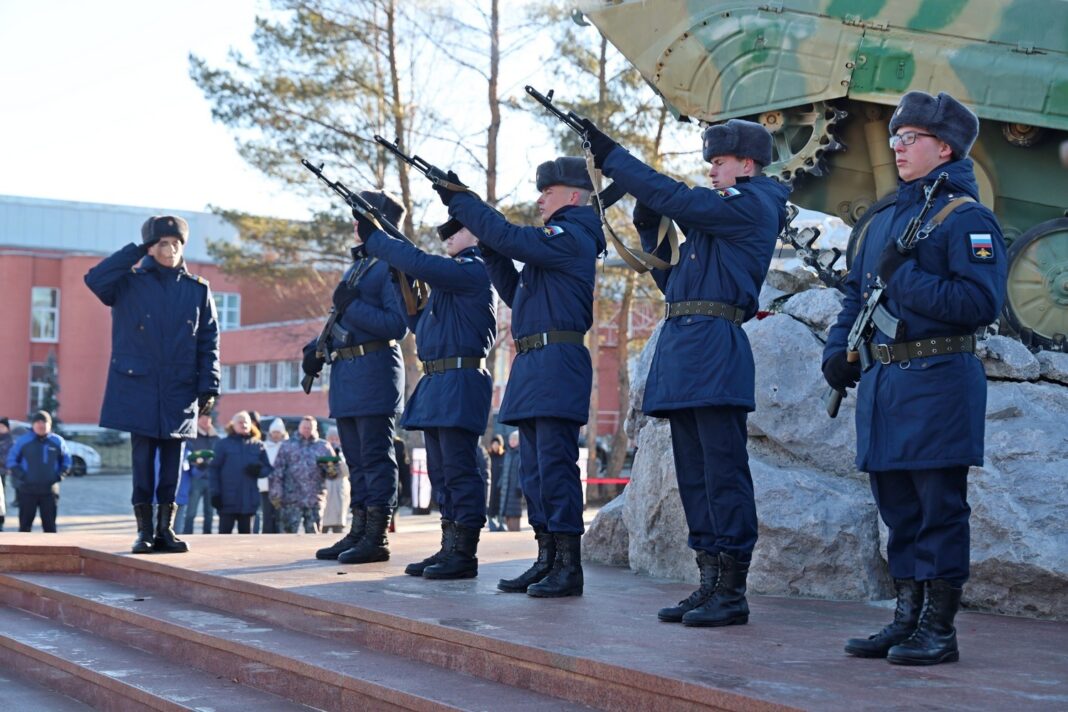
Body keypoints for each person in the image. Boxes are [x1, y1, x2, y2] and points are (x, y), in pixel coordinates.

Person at [579, 115, 789, 626]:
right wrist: (648, 224)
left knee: (723, 473)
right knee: (694, 476)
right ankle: (709, 581)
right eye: (711, 163)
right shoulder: (715, 224)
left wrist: (614, 158)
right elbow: (674, 286)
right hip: (687, 346)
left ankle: (731, 591)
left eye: (720, 161)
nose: (712, 170)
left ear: (747, 164)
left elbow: (681, 200)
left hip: (714, 348)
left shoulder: (753, 204)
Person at [824, 91, 1006, 666]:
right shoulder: (884, 219)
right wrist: (836, 351)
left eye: (910, 139)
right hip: (885, 385)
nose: (897, 148)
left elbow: (979, 303)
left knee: (938, 509)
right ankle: (906, 618)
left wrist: (903, 279)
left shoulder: (966, 219)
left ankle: (938, 628)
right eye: (896, 138)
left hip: (939, 381)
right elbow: (854, 295)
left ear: (944, 147)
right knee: (898, 510)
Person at [435, 157, 604, 598]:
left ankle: (567, 565)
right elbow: (516, 294)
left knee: (555, 466)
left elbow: (510, 236)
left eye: (547, 192)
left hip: (556, 360)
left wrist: (465, 205)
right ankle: (546, 558)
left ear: (573, 195)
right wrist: (489, 245)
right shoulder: (552, 247)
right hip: (533, 362)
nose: (540, 200)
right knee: (534, 472)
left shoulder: (572, 235)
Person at [362, 216, 497, 580]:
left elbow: (423, 264)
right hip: (438, 380)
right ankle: (449, 546)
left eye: (457, 230)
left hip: (461, 378)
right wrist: (399, 277)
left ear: (476, 234)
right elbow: (419, 326)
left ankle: (464, 553)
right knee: (441, 472)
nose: (447, 237)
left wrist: (380, 241)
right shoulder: (449, 284)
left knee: (459, 469)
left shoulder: (473, 270)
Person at [84, 215, 220, 554]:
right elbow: (95, 279)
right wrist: (135, 250)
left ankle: (165, 530)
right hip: (139, 387)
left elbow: (209, 340)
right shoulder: (128, 283)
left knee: (173, 465)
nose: (170, 250)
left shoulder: (197, 289)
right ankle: (144, 531)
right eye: (162, 243)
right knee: (143, 463)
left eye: (176, 244)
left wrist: (210, 384)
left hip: (180, 388)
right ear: (150, 248)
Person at [310, 192, 407, 565]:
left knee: (375, 458)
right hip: (348, 374)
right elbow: (342, 321)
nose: (355, 224)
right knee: (356, 460)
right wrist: (314, 349)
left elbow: (396, 325)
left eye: (361, 218)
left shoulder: (391, 265)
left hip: (375, 371)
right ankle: (358, 531)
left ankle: (376, 536)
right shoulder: (359, 267)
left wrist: (353, 304)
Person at [6, 411, 71, 533]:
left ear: (49, 424)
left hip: (49, 491)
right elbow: (11, 460)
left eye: (44, 422)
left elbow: (66, 461)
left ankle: (51, 546)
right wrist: (22, 476)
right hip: (27, 490)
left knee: (50, 527)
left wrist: (59, 476)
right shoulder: (23, 441)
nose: (41, 425)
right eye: (38, 422)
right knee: (24, 527)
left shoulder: (57, 441)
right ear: (33, 424)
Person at [209, 411, 272, 534]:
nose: (244, 425)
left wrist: (258, 471)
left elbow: (268, 468)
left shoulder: (258, 445)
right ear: (233, 425)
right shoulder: (223, 444)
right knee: (223, 538)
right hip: (227, 500)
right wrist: (215, 493)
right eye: (240, 422)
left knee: (246, 540)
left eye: (246, 422)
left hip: (249, 501)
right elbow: (213, 469)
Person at [270, 415, 333, 534]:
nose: (307, 430)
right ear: (299, 428)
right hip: (291, 498)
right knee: (288, 534)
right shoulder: (287, 445)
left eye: (310, 427)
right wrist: (276, 494)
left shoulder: (324, 446)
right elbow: (277, 471)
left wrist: (331, 467)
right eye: (304, 427)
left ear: (315, 429)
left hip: (314, 498)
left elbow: (333, 472)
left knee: (314, 534)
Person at [182, 414, 219, 535]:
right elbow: (188, 456)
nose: (206, 421)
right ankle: (187, 534)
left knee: (209, 512)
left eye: (208, 418)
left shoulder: (216, 438)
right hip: (196, 478)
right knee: (191, 511)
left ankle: (207, 535)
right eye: (203, 418)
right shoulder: (192, 437)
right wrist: (197, 463)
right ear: (198, 420)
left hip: (211, 479)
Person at [260, 418, 288, 534]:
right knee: (267, 514)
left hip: (282, 487)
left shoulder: (286, 447)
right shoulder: (264, 446)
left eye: (278, 432)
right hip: (266, 487)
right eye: (274, 432)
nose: (276, 435)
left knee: (279, 515)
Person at [322, 427, 352, 534]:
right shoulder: (322, 451)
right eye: (331, 438)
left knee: (338, 524)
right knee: (323, 522)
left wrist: (339, 459)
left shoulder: (346, 452)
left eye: (336, 439)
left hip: (340, 489)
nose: (334, 441)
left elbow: (348, 472)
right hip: (326, 488)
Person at [498, 430, 523, 532]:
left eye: (515, 439)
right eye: (511, 439)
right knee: (506, 513)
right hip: (506, 488)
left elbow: (522, 471)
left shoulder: (520, 454)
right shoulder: (507, 454)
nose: (512, 441)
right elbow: (504, 470)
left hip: (515, 489)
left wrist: (520, 486)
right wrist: (500, 484)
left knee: (514, 513)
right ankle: (510, 531)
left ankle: (515, 533)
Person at [485, 434, 505, 532]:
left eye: (497, 444)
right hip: (491, 486)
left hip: (500, 486)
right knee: (490, 505)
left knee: (499, 505)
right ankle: (491, 523)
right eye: (493, 444)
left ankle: (501, 524)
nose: (495, 446)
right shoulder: (489, 456)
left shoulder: (504, 456)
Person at [0, 417, 12, 531]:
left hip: (3, 473)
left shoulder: (10, 441)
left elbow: (9, 457)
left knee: (1, 498)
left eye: (2, 426)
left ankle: (1, 523)